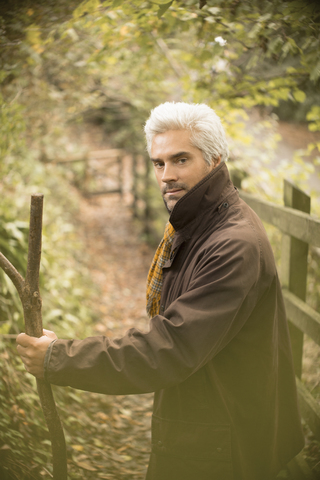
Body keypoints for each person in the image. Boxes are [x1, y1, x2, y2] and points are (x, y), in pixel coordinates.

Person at [17, 102, 304, 480]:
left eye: (181, 159)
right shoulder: (197, 223)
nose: (167, 175)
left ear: (215, 159)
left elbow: (171, 347)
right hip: (204, 424)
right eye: (159, 163)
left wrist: (61, 358)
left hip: (224, 444)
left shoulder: (233, 243)